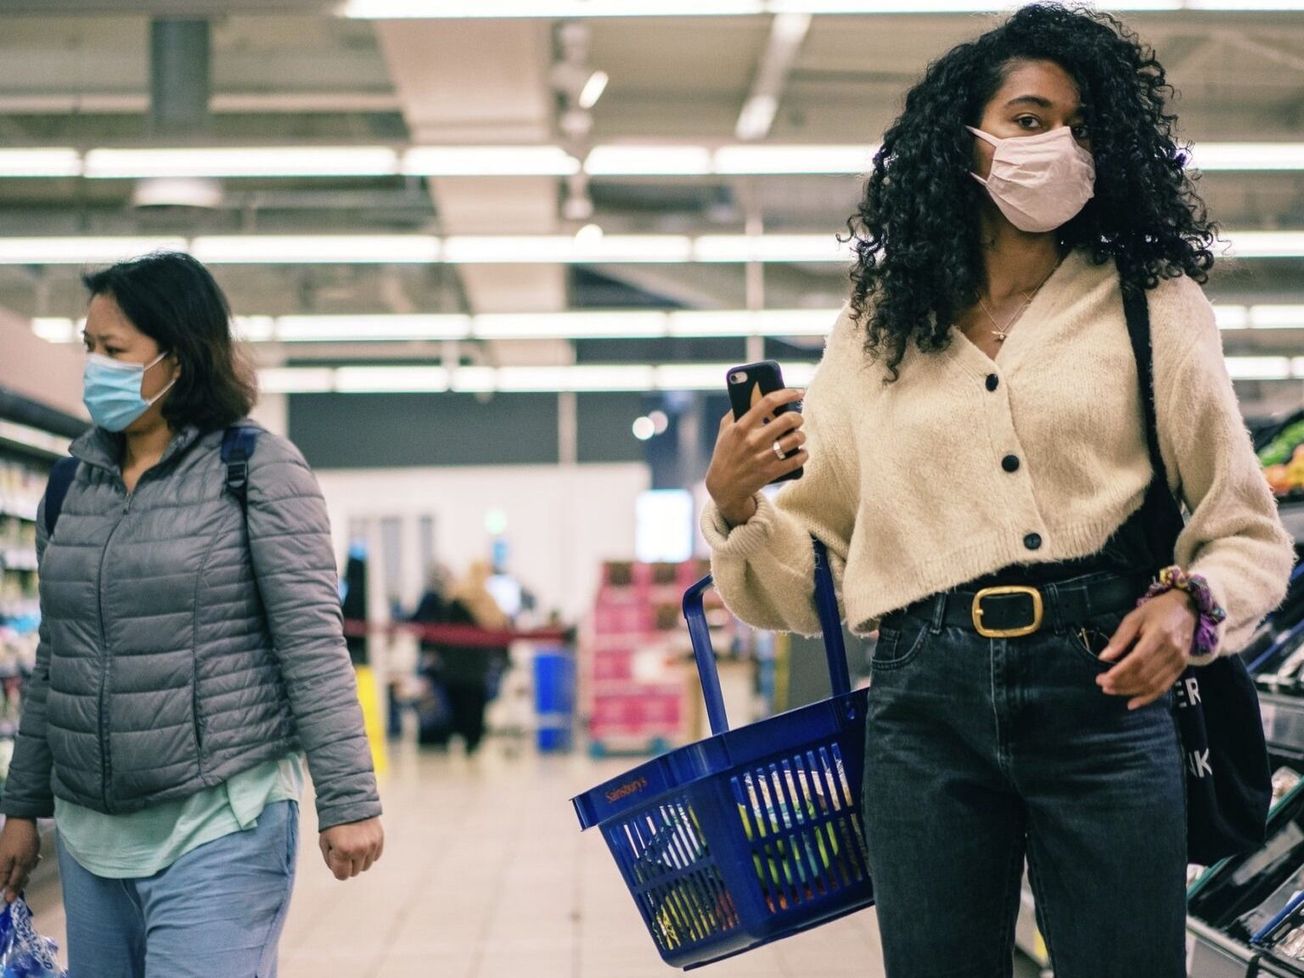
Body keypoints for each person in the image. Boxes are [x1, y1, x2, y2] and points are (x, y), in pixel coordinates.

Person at [701, 6, 1296, 978]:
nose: (1053, 145)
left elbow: (1243, 526)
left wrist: (1192, 603)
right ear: (965, 138)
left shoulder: (1154, 303)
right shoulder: (878, 328)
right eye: (1026, 118)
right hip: (923, 701)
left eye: (1077, 125)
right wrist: (734, 507)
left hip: (1104, 689)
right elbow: (799, 572)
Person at [0, 251, 384, 978]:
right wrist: (21, 808)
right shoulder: (68, 486)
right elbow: (58, 659)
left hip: (221, 820)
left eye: (114, 351)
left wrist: (349, 800)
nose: (95, 368)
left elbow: (311, 644)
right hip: (91, 834)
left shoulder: (257, 469)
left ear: (179, 357)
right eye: (90, 347)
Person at [438, 561, 511, 756]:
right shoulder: (489, 602)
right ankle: (472, 742)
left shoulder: (456, 600)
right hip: (478, 667)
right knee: (475, 706)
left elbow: (443, 635)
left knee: (461, 705)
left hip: (457, 667)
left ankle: (464, 739)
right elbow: (502, 631)